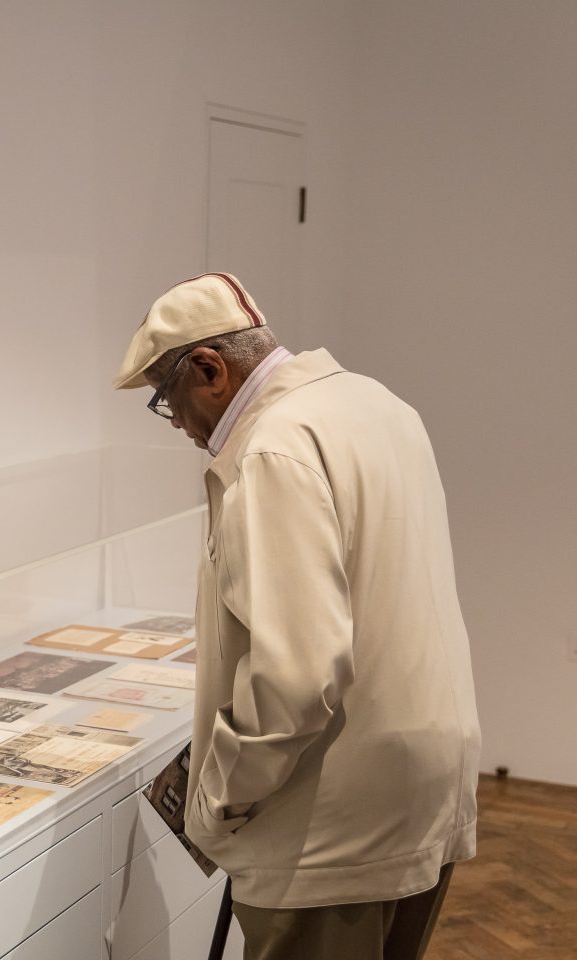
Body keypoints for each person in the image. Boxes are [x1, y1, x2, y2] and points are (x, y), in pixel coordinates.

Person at [113, 273, 481, 960]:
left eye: (168, 400)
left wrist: (219, 797)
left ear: (209, 369)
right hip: (425, 779)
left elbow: (296, 674)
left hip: (332, 822)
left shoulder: (270, 449)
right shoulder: (375, 402)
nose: (181, 427)